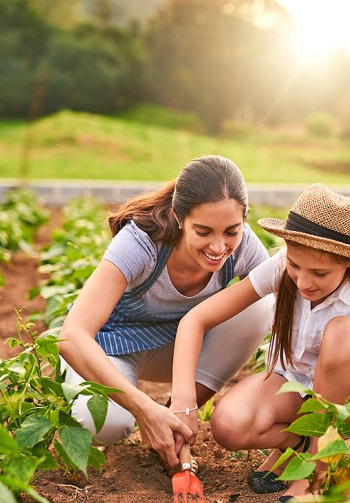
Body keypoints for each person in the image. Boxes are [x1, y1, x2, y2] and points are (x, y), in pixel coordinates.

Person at [171, 183, 350, 503]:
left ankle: (318, 476)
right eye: (295, 266)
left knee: (343, 331)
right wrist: (184, 402)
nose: (303, 281)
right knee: (228, 424)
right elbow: (197, 318)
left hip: (343, 405)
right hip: (293, 386)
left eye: (319, 273)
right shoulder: (282, 266)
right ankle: (304, 445)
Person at [58, 155, 273, 467]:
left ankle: (175, 424)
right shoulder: (141, 243)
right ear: (178, 218)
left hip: (179, 351)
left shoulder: (244, 246)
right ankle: (137, 411)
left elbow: (291, 308)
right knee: (103, 424)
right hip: (115, 349)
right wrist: (144, 409)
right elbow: (72, 335)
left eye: (231, 230)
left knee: (262, 303)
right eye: (203, 231)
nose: (218, 246)